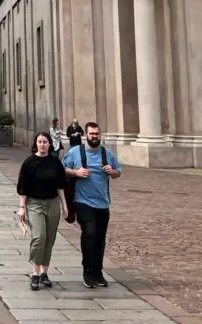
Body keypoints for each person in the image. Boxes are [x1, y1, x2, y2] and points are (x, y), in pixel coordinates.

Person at [62, 121, 121, 290]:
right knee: (89, 233)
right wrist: (76, 172)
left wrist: (113, 172)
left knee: (100, 239)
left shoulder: (107, 153)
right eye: (91, 134)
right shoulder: (75, 152)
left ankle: (97, 271)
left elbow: (118, 172)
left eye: (97, 134)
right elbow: (62, 168)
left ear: (100, 135)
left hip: (103, 203)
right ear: (85, 135)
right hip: (83, 201)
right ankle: (87, 270)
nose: (94, 136)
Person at [16, 132, 68, 291]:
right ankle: (35, 274)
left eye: (45, 142)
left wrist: (64, 205)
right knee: (39, 237)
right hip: (35, 203)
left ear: (49, 144)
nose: (42, 144)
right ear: (36, 144)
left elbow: (60, 186)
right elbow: (22, 187)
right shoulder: (29, 163)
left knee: (49, 239)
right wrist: (21, 208)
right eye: (39, 142)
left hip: (52, 203)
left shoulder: (55, 163)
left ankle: (44, 272)